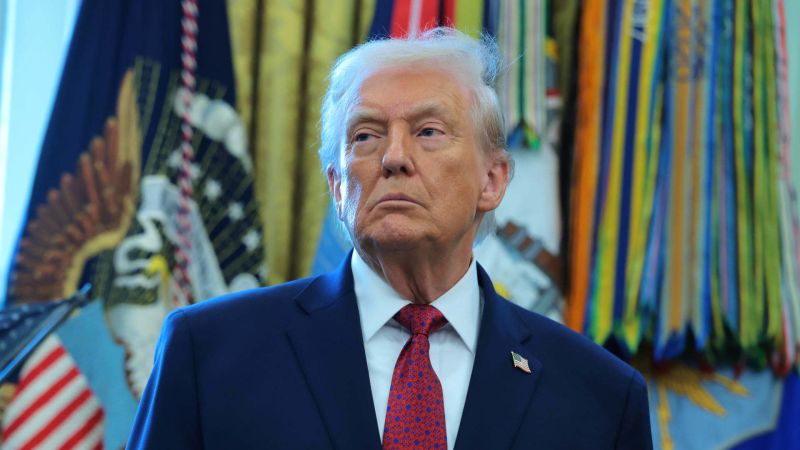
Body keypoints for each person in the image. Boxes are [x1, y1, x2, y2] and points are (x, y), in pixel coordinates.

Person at [127, 28, 652, 449]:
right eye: (365, 135)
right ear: (337, 186)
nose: (394, 157)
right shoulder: (209, 354)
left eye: (428, 132)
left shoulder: (599, 394)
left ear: (492, 181)